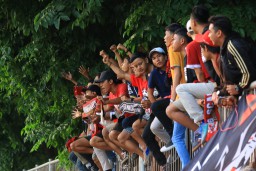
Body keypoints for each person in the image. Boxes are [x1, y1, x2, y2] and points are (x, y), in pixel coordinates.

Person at [208, 15, 256, 103]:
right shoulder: (224, 47)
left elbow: (248, 73)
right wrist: (217, 92)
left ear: (219, 33)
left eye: (210, 32)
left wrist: (238, 88)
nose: (208, 35)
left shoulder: (232, 45)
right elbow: (229, 81)